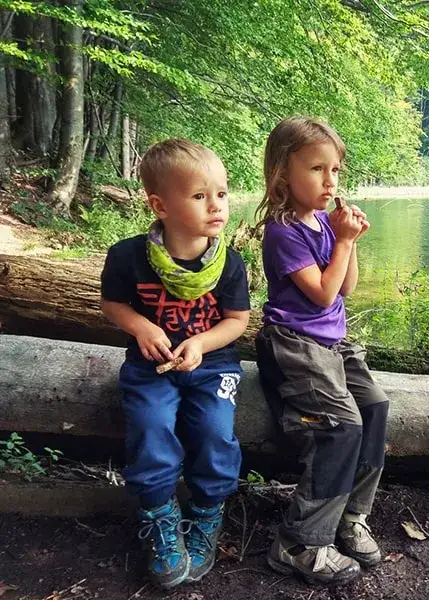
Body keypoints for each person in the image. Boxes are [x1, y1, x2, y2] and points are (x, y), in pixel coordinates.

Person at [100, 139, 250, 588]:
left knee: (213, 431)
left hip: (213, 364)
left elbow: (238, 321)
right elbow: (112, 304)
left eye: (221, 194)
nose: (216, 206)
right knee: (150, 425)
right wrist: (142, 329)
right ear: (160, 205)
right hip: (152, 367)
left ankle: (206, 511)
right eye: (200, 196)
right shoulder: (128, 256)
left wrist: (202, 343)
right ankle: (159, 516)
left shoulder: (229, 263)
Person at [254, 116, 389, 586]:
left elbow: (345, 287)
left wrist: (348, 243)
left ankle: (351, 518)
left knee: (374, 407)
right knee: (341, 428)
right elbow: (321, 296)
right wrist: (344, 241)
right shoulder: (283, 231)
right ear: (282, 174)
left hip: (333, 343)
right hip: (293, 343)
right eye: (316, 169)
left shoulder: (325, 224)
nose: (330, 181)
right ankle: (301, 542)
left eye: (335, 170)